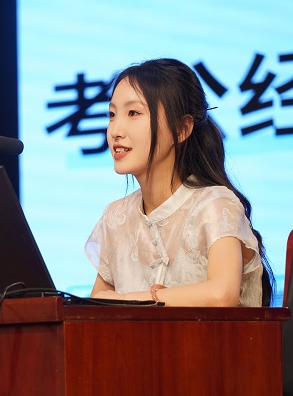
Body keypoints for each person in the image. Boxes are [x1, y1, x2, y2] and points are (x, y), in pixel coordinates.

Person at [85, 58, 275, 307]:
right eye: (112, 115)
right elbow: (96, 305)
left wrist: (134, 300)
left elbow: (222, 295)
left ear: (182, 128)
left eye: (133, 113)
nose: (115, 130)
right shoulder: (116, 217)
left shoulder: (215, 205)